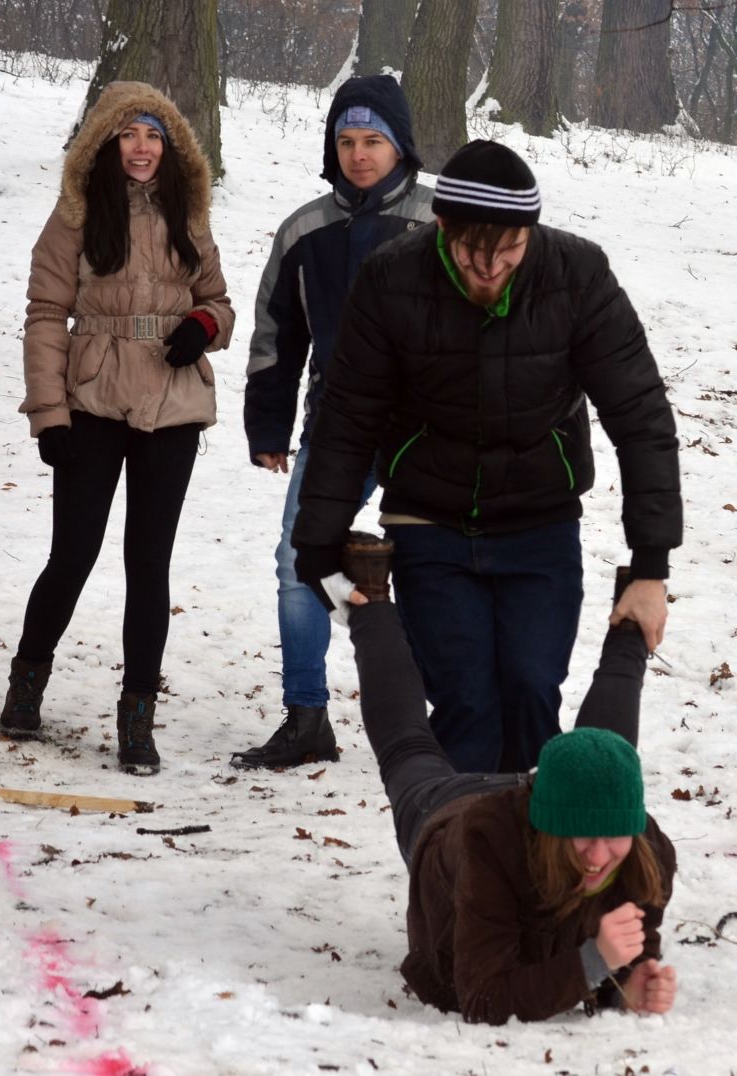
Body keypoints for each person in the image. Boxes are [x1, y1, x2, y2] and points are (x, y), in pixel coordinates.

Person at [291, 139, 682, 776]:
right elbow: (348, 416)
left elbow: (641, 417)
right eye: (476, 253)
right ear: (443, 226)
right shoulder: (392, 279)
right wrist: (317, 544)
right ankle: (464, 861)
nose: (493, 269)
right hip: (429, 523)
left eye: (511, 252)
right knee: (466, 704)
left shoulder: (576, 276)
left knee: (531, 691)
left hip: (540, 524)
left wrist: (651, 567)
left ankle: (533, 863)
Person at [333, 536, 677, 1022]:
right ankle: (371, 600)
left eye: (613, 838)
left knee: (604, 753)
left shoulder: (647, 851)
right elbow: (484, 998)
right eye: (583, 839)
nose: (599, 857)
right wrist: (596, 962)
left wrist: (629, 985)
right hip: (447, 812)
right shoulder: (486, 845)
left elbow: (629, 957)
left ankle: (632, 622)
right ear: (550, 827)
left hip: (552, 796)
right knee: (406, 746)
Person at [0, 81, 234, 775]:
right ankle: (27, 684)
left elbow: (217, 300)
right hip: (94, 400)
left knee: (148, 564)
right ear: (107, 141)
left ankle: (137, 716)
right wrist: (50, 413)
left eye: (154, 135)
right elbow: (46, 312)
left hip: (171, 403)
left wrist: (203, 325)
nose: (141, 147)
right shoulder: (75, 215)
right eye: (130, 134)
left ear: (171, 146)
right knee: (72, 554)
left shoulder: (188, 211)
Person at [232, 74, 434, 770]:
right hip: (338, 428)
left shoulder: (444, 222)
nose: (359, 154)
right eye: (346, 141)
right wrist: (268, 426)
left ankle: (449, 715)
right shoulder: (305, 229)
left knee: (436, 571)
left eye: (373, 140)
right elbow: (275, 334)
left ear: (401, 145)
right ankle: (307, 716)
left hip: (427, 434)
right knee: (298, 563)